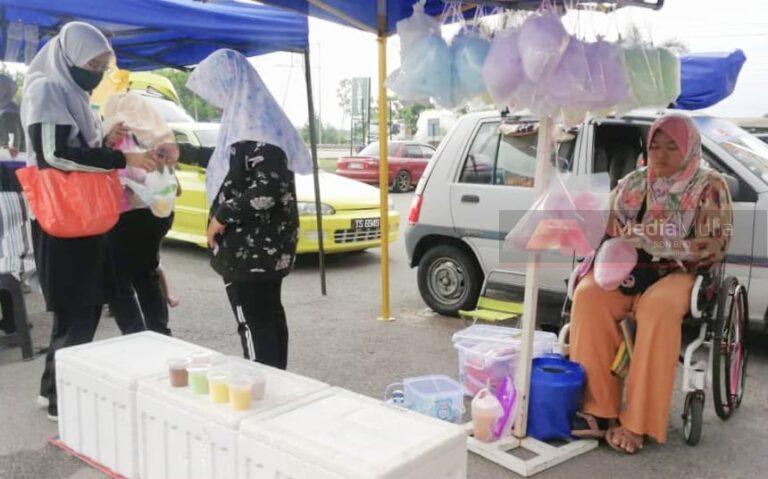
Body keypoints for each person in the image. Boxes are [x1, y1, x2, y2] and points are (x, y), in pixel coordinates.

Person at [568, 113, 733, 453]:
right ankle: (598, 409)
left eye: (672, 147)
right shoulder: (633, 182)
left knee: (657, 308)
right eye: (655, 145)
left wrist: (664, 245)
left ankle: (637, 422)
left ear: (689, 148)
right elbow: (608, 225)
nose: (661, 154)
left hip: (681, 270)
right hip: (633, 267)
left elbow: (715, 245)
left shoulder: (710, 185)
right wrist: (597, 224)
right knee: (589, 295)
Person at [21, 22, 158, 421]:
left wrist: (105, 135)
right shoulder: (46, 88)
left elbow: (77, 147)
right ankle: (59, 401)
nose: (97, 73)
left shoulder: (72, 92)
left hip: (82, 217)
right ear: (69, 58)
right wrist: (122, 157)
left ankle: (51, 390)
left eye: (102, 66)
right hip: (63, 219)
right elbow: (54, 155)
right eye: (92, 64)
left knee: (80, 307)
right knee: (79, 308)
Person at [185, 49, 311, 370]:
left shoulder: (257, 132)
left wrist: (221, 215)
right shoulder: (253, 125)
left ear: (230, 86)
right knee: (268, 316)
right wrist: (181, 152)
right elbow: (232, 164)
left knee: (254, 322)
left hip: (251, 251)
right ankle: (276, 379)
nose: (215, 104)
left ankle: (261, 382)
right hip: (262, 249)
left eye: (216, 93)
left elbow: (267, 190)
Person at [103, 91, 178, 335]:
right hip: (156, 217)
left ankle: (135, 334)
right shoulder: (156, 135)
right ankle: (159, 332)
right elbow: (173, 185)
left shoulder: (116, 138)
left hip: (126, 217)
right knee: (146, 275)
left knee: (118, 281)